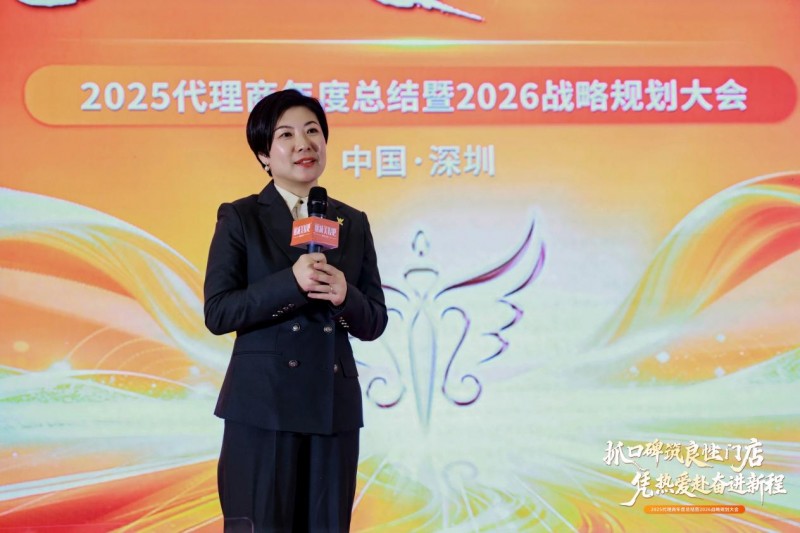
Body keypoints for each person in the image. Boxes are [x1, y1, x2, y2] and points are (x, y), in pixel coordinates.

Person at [203, 89, 388, 532]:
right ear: (264, 155)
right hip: (263, 406)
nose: (304, 143)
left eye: (312, 131)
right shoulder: (241, 217)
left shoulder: (351, 221)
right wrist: (290, 283)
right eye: (286, 135)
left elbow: (374, 320)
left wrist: (344, 295)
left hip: (332, 408)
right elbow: (219, 312)